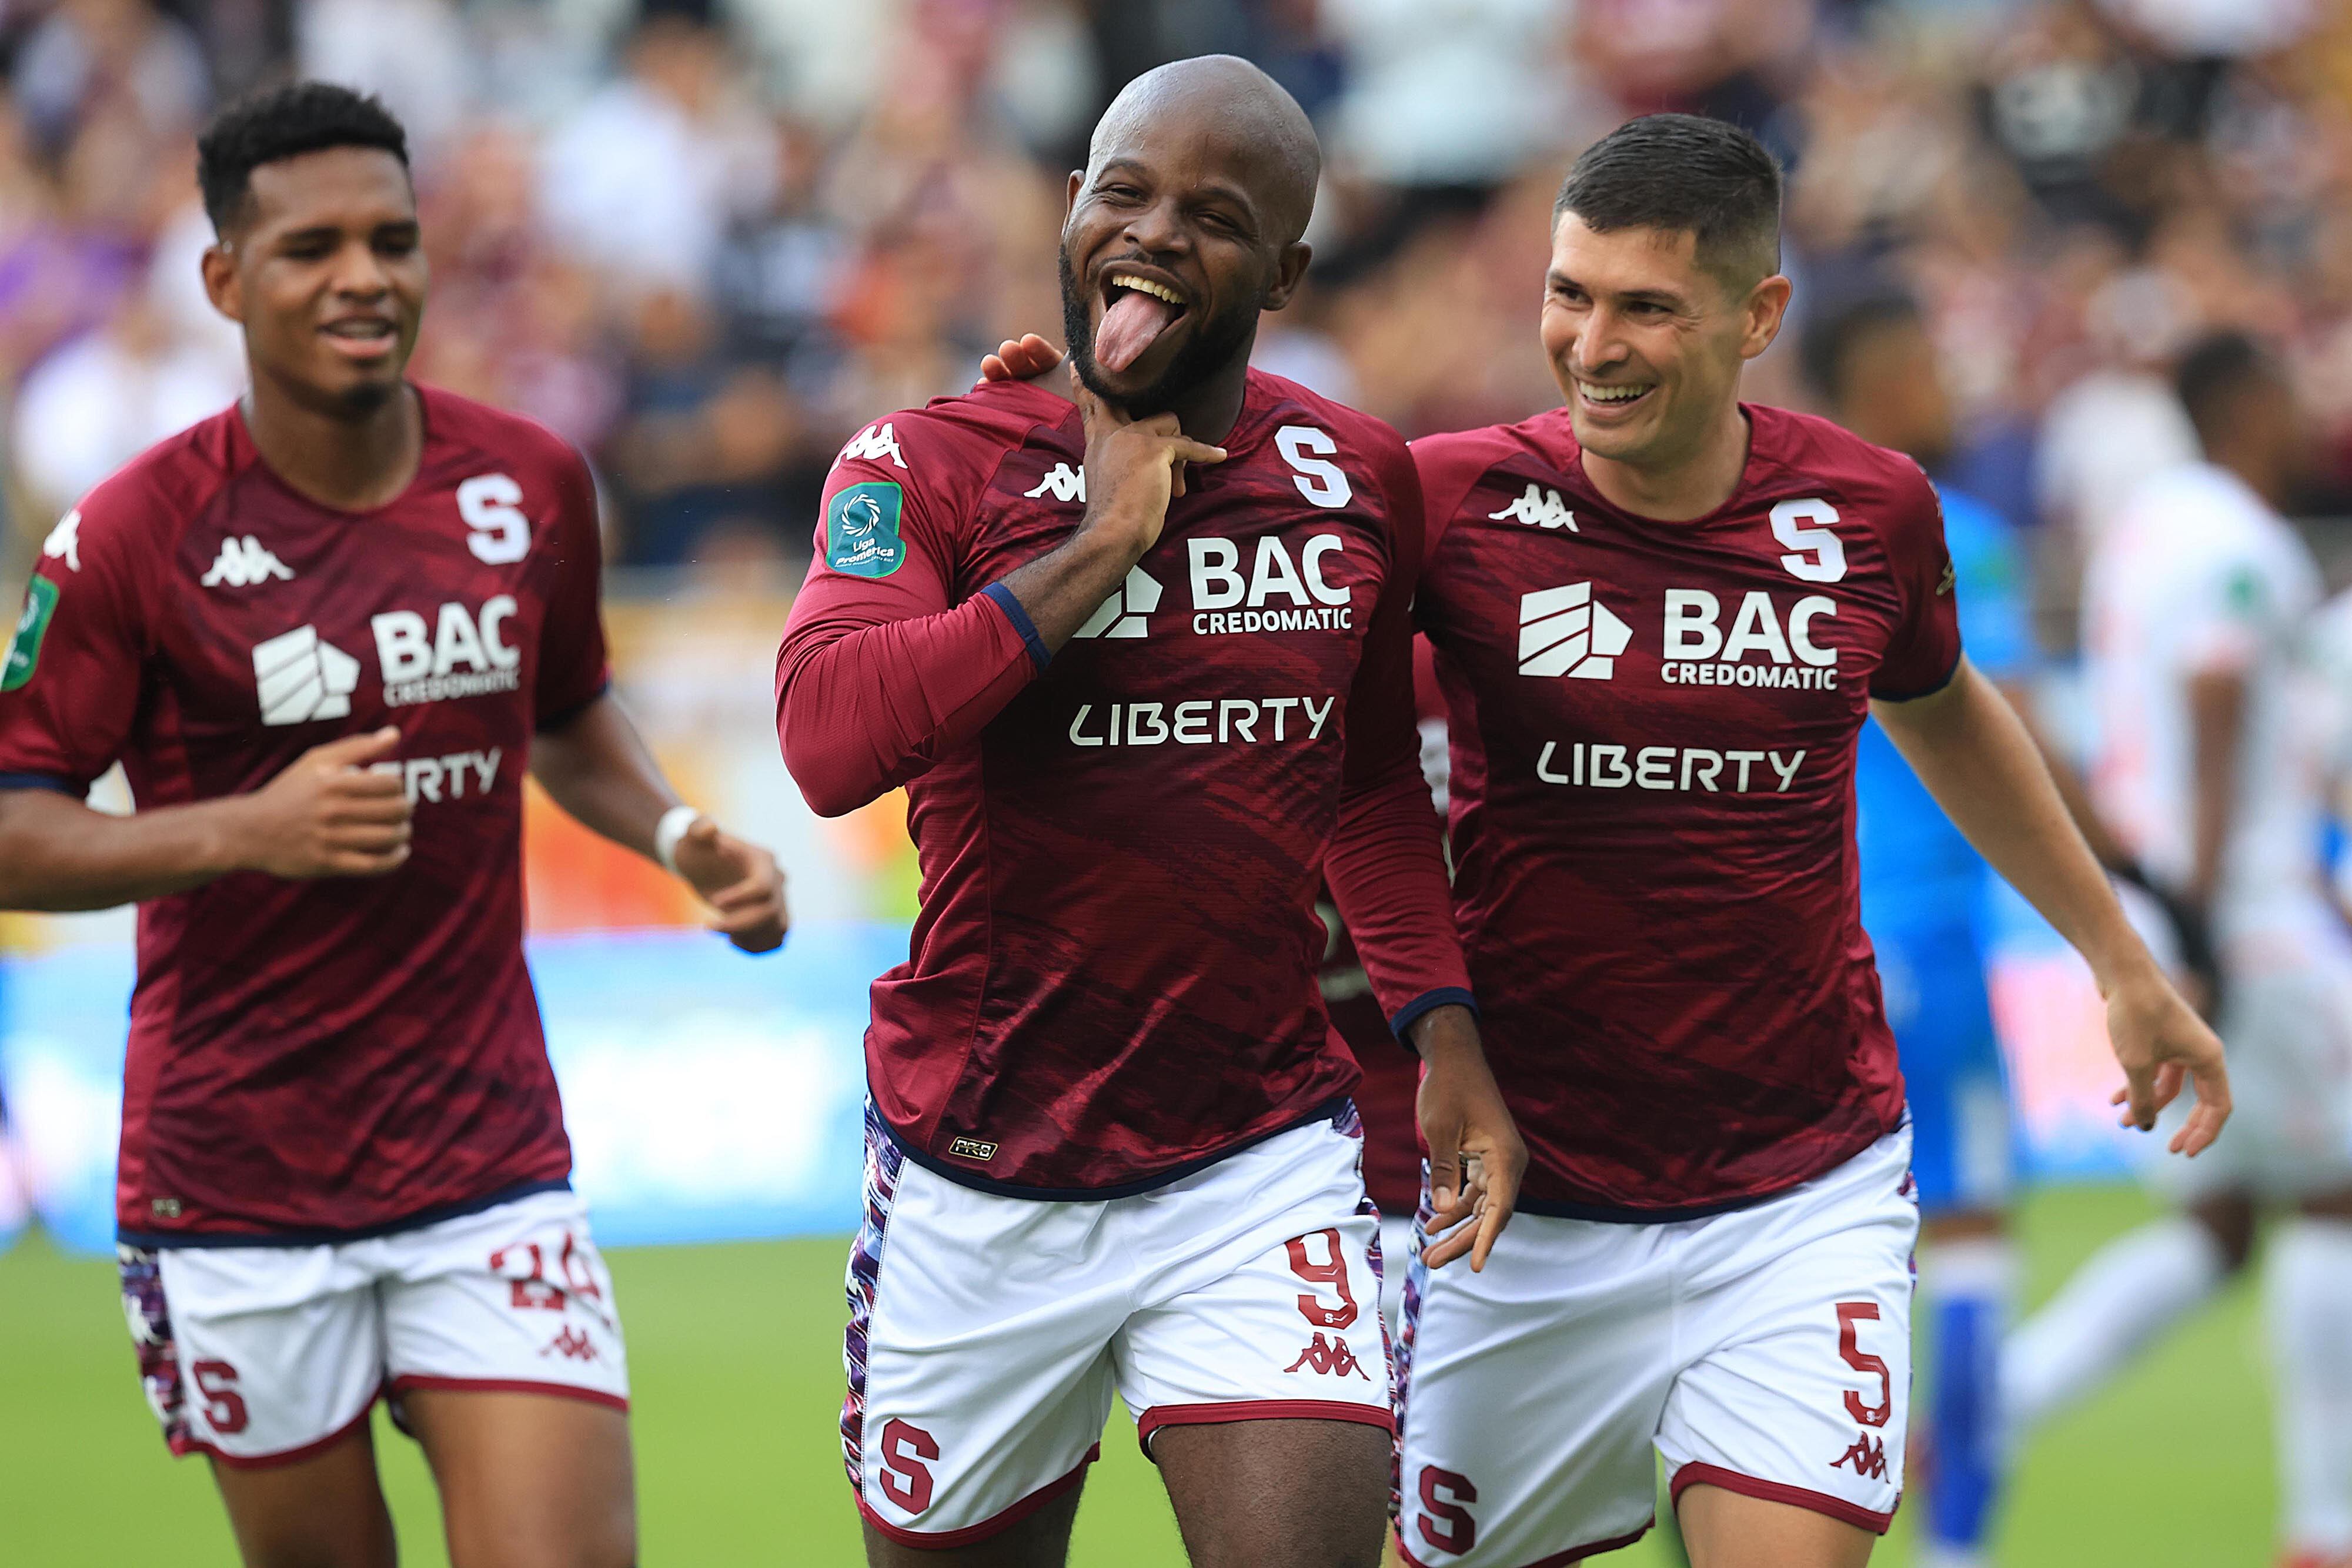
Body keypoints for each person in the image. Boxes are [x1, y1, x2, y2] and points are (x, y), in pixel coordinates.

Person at [1387, 115, 2223, 1568]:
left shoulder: (1868, 510)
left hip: (1794, 1192)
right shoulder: (1448, 501)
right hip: (1523, 1206)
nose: (1591, 343)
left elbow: (1946, 712)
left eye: (1645, 305)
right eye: (1568, 293)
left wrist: (2115, 955)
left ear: (1756, 315)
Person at [0, 83, 787, 1568]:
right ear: (225, 279)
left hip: (483, 1161)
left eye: (393, 240)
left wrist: (680, 832)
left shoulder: (529, 483)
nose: (364, 276)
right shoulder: (132, 534)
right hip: (231, 1179)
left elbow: (562, 715)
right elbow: (13, 826)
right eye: (310, 249)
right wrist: (248, 826)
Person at [775, 56, 1522, 1568]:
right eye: (1125, 191)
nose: (1157, 231)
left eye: (1215, 214)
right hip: (979, 1158)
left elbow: (1372, 781)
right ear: (1070, 212)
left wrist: (1442, 1033)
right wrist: (1097, 544)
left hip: (1257, 1153)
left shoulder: (1354, 478)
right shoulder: (924, 458)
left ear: (1289, 271)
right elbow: (828, 738)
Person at [2007, 332, 2352, 1568]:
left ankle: (1994, 1403)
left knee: (2216, 1227)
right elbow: (2213, 700)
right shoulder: (2229, 539)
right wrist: (2203, 916)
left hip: (2173, 904)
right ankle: (2325, 1525)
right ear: (2243, 404)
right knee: (2332, 1195)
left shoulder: (2147, 527)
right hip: (2236, 915)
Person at [1799, 293, 2043, 1568]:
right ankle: (1957, 1549)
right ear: (1872, 381)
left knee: (1761, 1253)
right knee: (1965, 1245)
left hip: (1811, 942)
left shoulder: (1780, 532)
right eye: (1923, 364)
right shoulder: (1959, 533)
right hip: (1930, 950)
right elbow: (2006, 730)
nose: (1946, 380)